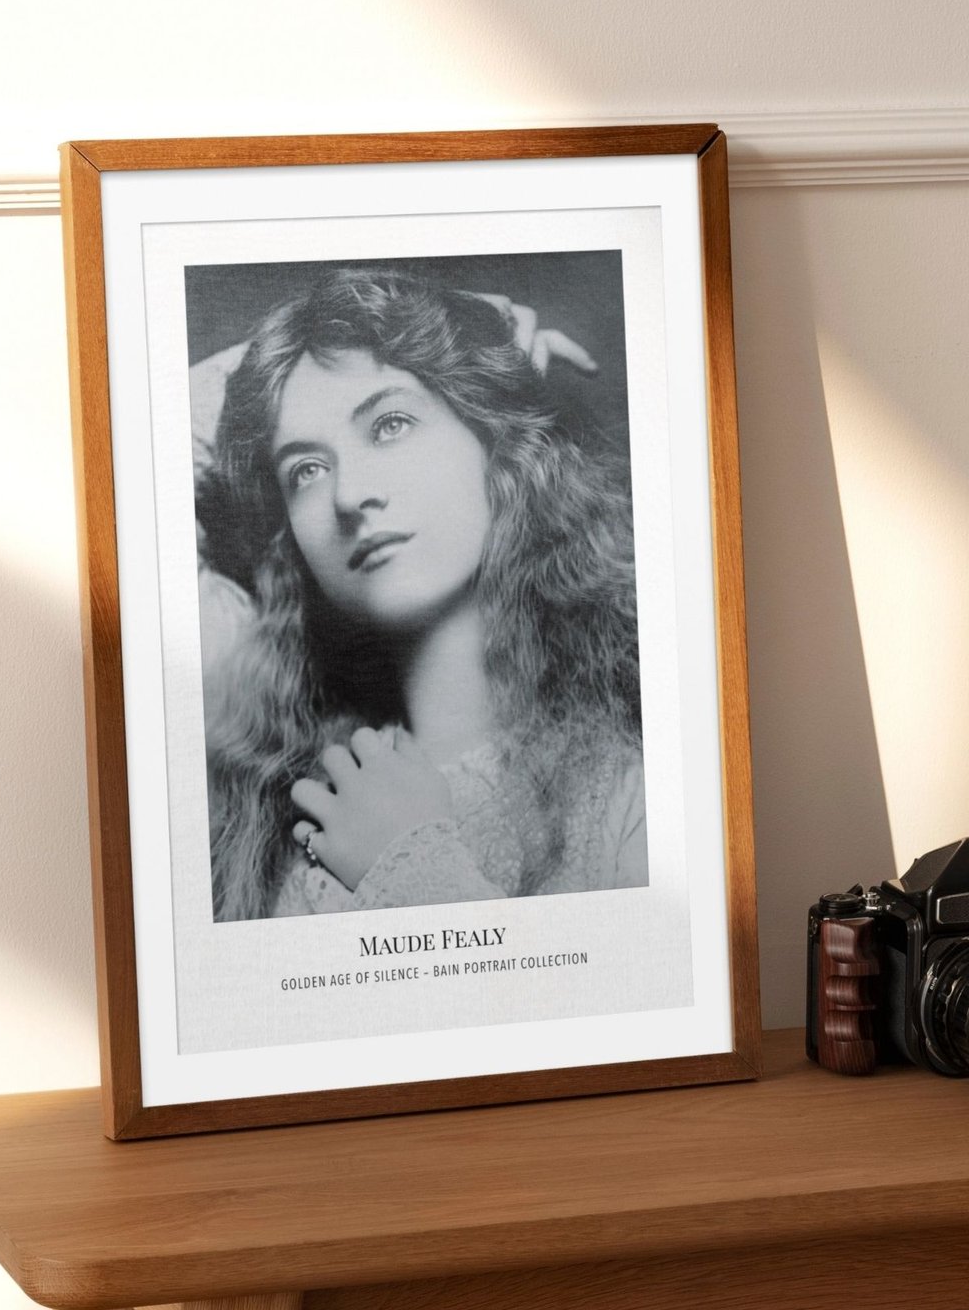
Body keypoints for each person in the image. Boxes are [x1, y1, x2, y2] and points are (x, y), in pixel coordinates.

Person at [195, 267, 647, 920]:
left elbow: (619, 1019)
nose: (349, 496)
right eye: (307, 470)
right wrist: (418, 319)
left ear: (494, 439)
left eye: (390, 425)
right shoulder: (267, 793)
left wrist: (412, 862)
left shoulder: (626, 791)